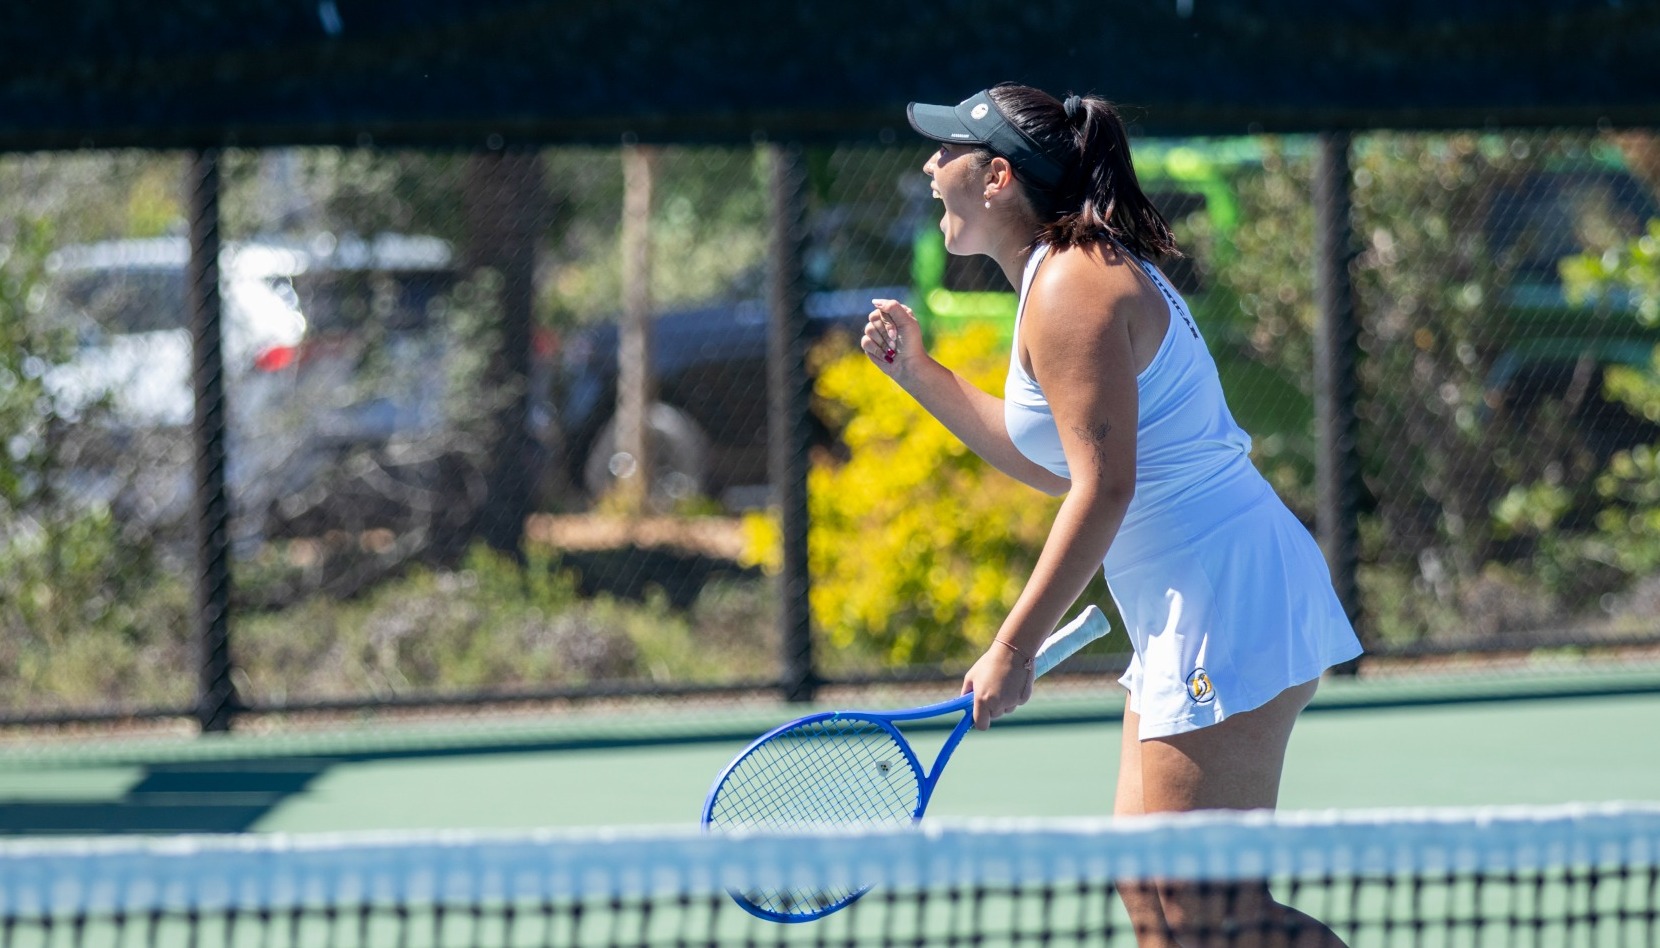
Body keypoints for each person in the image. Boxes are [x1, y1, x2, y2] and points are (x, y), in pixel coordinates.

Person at [863, 84, 1364, 947]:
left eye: (946, 151)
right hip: (1186, 608)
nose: (928, 164)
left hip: (1229, 600)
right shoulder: (1052, 279)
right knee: (1153, 902)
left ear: (997, 180)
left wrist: (1013, 647)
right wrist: (920, 373)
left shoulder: (1073, 289)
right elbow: (1058, 465)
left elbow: (1103, 490)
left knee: (1211, 913)